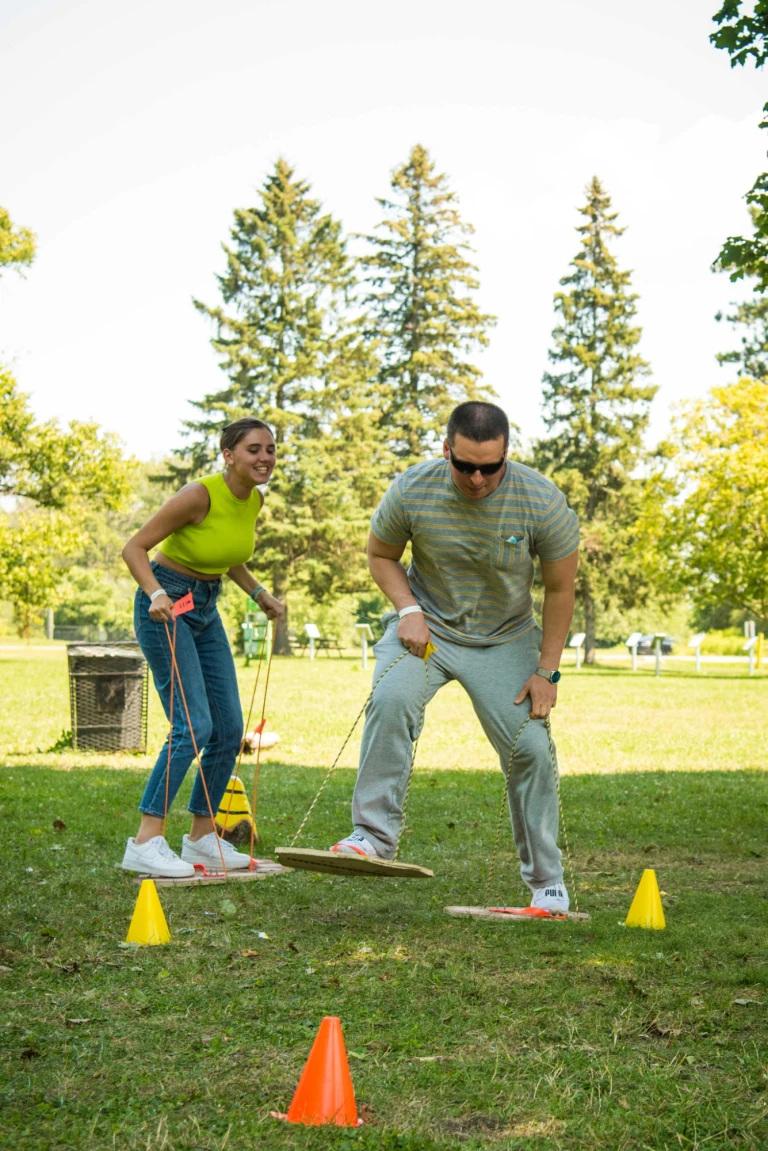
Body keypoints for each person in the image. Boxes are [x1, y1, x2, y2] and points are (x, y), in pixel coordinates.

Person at [331, 401, 579, 913]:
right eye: (464, 465)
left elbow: (560, 590)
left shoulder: (541, 501)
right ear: (446, 450)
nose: (477, 478)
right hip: (427, 631)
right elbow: (381, 554)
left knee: (529, 747)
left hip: (506, 640)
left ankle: (547, 884)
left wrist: (546, 671)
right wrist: (407, 608)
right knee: (391, 700)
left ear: (507, 454)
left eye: (490, 467)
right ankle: (372, 837)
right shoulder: (413, 489)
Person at [120, 417, 285, 879]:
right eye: (254, 449)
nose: (265, 458)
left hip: (206, 609)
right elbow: (134, 548)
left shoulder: (253, 500)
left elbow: (227, 556)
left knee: (229, 727)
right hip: (166, 605)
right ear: (228, 455)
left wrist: (260, 594)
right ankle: (145, 841)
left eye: (270, 449)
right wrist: (156, 594)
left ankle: (201, 839)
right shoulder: (199, 494)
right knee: (192, 726)